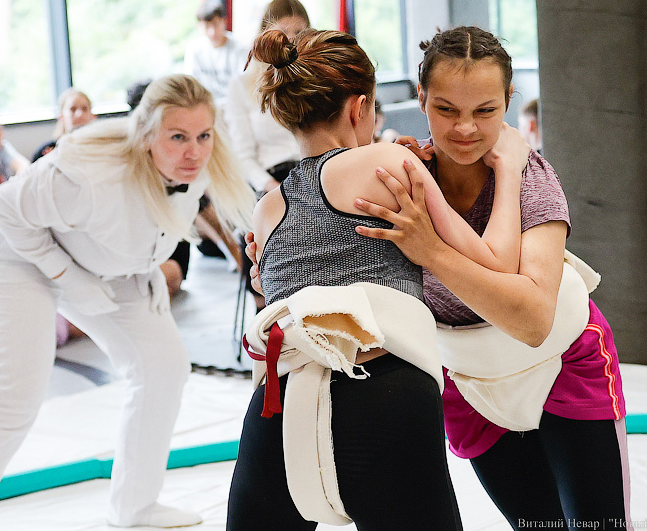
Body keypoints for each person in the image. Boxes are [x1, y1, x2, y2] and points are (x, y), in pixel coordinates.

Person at [227, 27, 530, 531]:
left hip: (278, 408)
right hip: (383, 394)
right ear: (358, 107)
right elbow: (497, 260)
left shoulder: (267, 210)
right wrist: (513, 168)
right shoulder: (390, 162)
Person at [0, 74, 254, 531]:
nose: (193, 151)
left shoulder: (192, 167)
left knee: (164, 368)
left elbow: (144, 220)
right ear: (147, 135)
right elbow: (3, 211)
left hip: (98, 258)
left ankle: (134, 506)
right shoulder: (89, 175)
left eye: (202, 136)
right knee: (13, 398)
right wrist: (66, 277)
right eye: (177, 137)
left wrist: (146, 267)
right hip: (13, 252)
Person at [354, 26, 630, 529]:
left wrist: (432, 252)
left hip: (563, 365)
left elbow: (530, 320)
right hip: (471, 383)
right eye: (446, 109)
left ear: (507, 101)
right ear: (419, 99)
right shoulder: (401, 176)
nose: (464, 128)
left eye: (484, 111)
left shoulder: (532, 175)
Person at [225, 0, 310, 310]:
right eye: (282, 35)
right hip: (269, 179)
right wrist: (272, 188)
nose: (289, 43)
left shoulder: (312, 77)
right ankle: (271, 310)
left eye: (297, 35)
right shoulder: (243, 85)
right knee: (270, 220)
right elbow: (243, 157)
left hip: (312, 171)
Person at [183, 1, 247, 105]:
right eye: (207, 26)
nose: (212, 32)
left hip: (235, 105)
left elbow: (245, 85)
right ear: (199, 26)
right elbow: (190, 84)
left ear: (224, 21)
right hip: (206, 107)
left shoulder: (240, 48)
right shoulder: (194, 50)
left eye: (216, 24)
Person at [32, 88, 95, 162]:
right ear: (61, 116)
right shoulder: (46, 151)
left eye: (84, 109)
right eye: (73, 109)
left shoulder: (101, 148)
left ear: (92, 116)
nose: (79, 114)